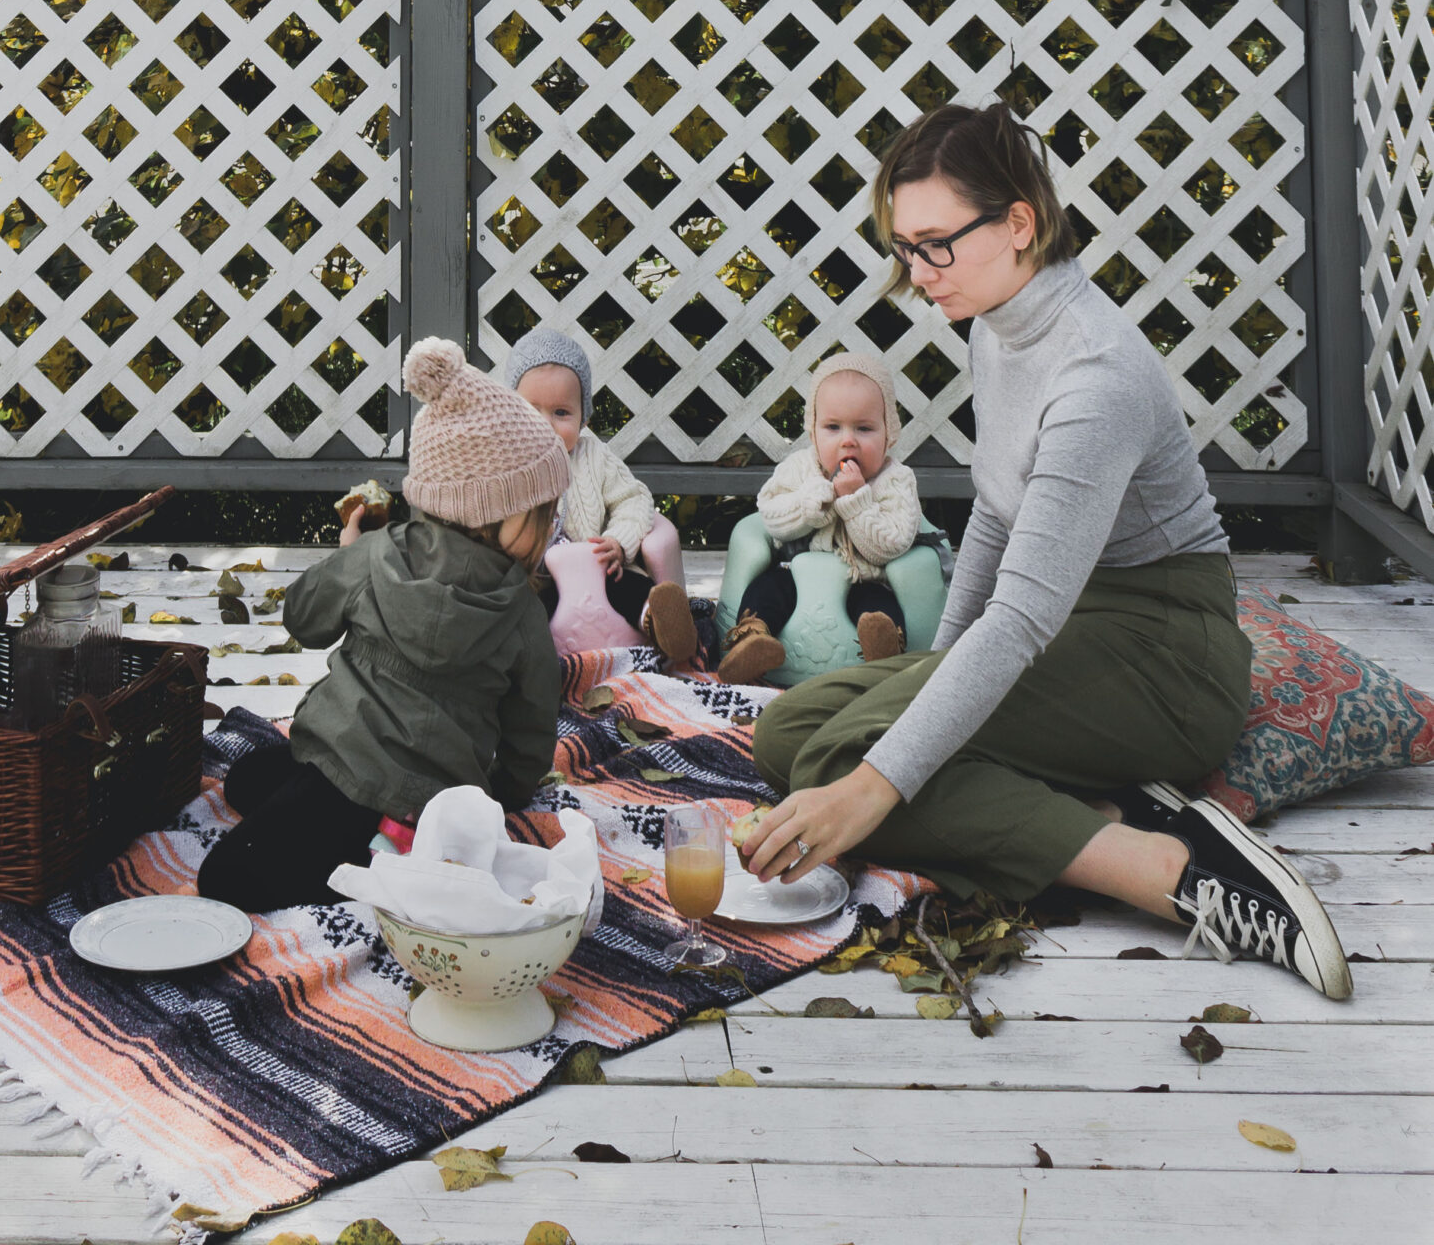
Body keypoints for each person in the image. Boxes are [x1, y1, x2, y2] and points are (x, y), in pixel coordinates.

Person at [742, 101, 1353, 1001]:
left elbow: (1023, 616)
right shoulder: (997, 324)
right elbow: (993, 517)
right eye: (903, 248)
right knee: (788, 731)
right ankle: (1101, 805)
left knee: (851, 775)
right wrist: (932, 677)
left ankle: (1159, 867)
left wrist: (880, 778)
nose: (917, 274)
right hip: (1071, 633)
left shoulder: (1094, 373)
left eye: (934, 244)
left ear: (1018, 224)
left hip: (1164, 655)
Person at [196, 335, 568, 913]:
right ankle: (390, 841)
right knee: (248, 778)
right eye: (542, 513)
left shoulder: (376, 555)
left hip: (341, 766)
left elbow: (304, 617)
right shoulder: (522, 612)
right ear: (497, 510)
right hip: (434, 797)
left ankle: (359, 874)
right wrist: (500, 797)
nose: (549, 528)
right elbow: (530, 731)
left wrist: (347, 552)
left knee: (223, 879)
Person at [717, 349, 923, 683]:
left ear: (889, 433)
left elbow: (892, 544)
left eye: (865, 428)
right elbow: (770, 516)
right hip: (795, 574)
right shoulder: (800, 468)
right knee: (766, 588)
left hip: (865, 580)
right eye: (832, 427)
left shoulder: (896, 480)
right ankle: (752, 643)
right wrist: (809, 504)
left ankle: (884, 653)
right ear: (813, 432)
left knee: (877, 608)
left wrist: (855, 500)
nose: (848, 441)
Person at [506, 325, 698, 663]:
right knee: (524, 610)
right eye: (530, 410)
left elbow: (635, 500)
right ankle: (529, 665)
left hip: (597, 571)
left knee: (627, 587)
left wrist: (618, 543)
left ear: (582, 418)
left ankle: (661, 622)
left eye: (561, 413)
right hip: (538, 581)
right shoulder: (503, 464)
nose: (545, 425)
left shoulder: (593, 456)